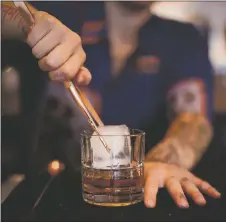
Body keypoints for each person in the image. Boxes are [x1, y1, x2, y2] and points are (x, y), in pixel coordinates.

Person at [1, 1, 221, 208]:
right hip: (40, 198)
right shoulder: (60, 14)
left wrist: (164, 162)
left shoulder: (183, 39)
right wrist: (32, 23)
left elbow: (193, 120)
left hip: (135, 200)